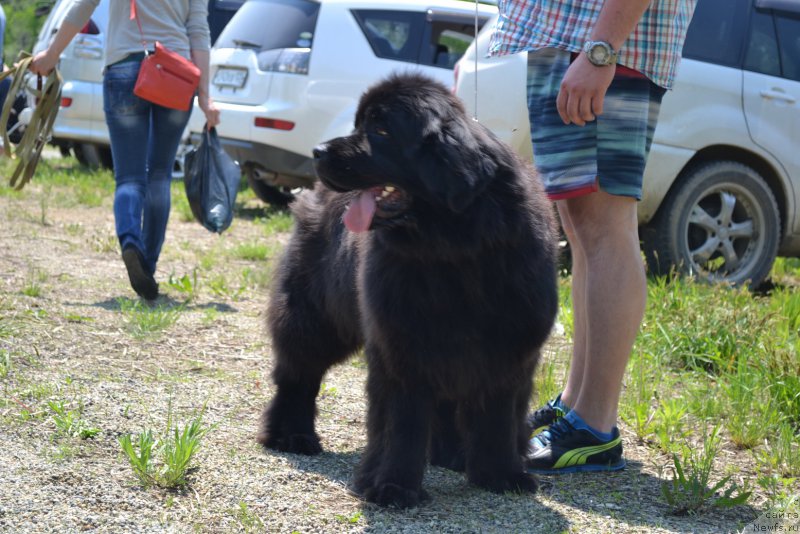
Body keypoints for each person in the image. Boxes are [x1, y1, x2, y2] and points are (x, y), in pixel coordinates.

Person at [489, 0, 697, 473]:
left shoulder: (602, 50)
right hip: (570, 38)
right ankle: (575, 402)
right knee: (581, 224)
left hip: (603, 45)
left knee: (605, 225)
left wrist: (602, 50)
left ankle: (595, 425)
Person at [30, 0, 220, 301]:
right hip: (177, 74)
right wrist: (206, 96)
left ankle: (131, 242)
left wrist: (51, 55)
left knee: (130, 178)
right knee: (159, 175)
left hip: (124, 69)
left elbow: (82, 7)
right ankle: (147, 267)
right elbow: (198, 30)